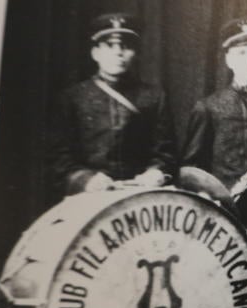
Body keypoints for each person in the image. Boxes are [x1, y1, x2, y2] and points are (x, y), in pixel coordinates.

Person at [47, 13, 174, 196]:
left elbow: (166, 153)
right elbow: (58, 158)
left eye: (126, 46)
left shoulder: (154, 97)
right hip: (88, 196)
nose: (118, 52)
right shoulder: (73, 98)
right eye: (109, 45)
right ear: (95, 53)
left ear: (135, 53)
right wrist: (85, 179)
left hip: (140, 195)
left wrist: (156, 173)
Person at [182, 18, 247, 190]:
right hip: (228, 204)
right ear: (229, 60)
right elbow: (192, 168)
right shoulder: (209, 107)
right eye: (242, 53)